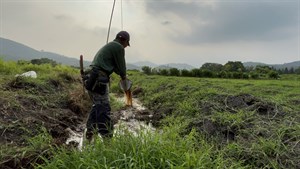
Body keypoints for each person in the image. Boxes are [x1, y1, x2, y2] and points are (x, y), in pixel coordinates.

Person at [84, 31, 130, 141]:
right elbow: (122, 69)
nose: (125, 47)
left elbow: (114, 67)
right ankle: (107, 138)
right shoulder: (118, 47)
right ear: (124, 40)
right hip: (98, 79)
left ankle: (90, 132)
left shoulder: (109, 46)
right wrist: (124, 80)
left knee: (97, 106)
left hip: (90, 78)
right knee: (103, 108)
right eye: (126, 44)